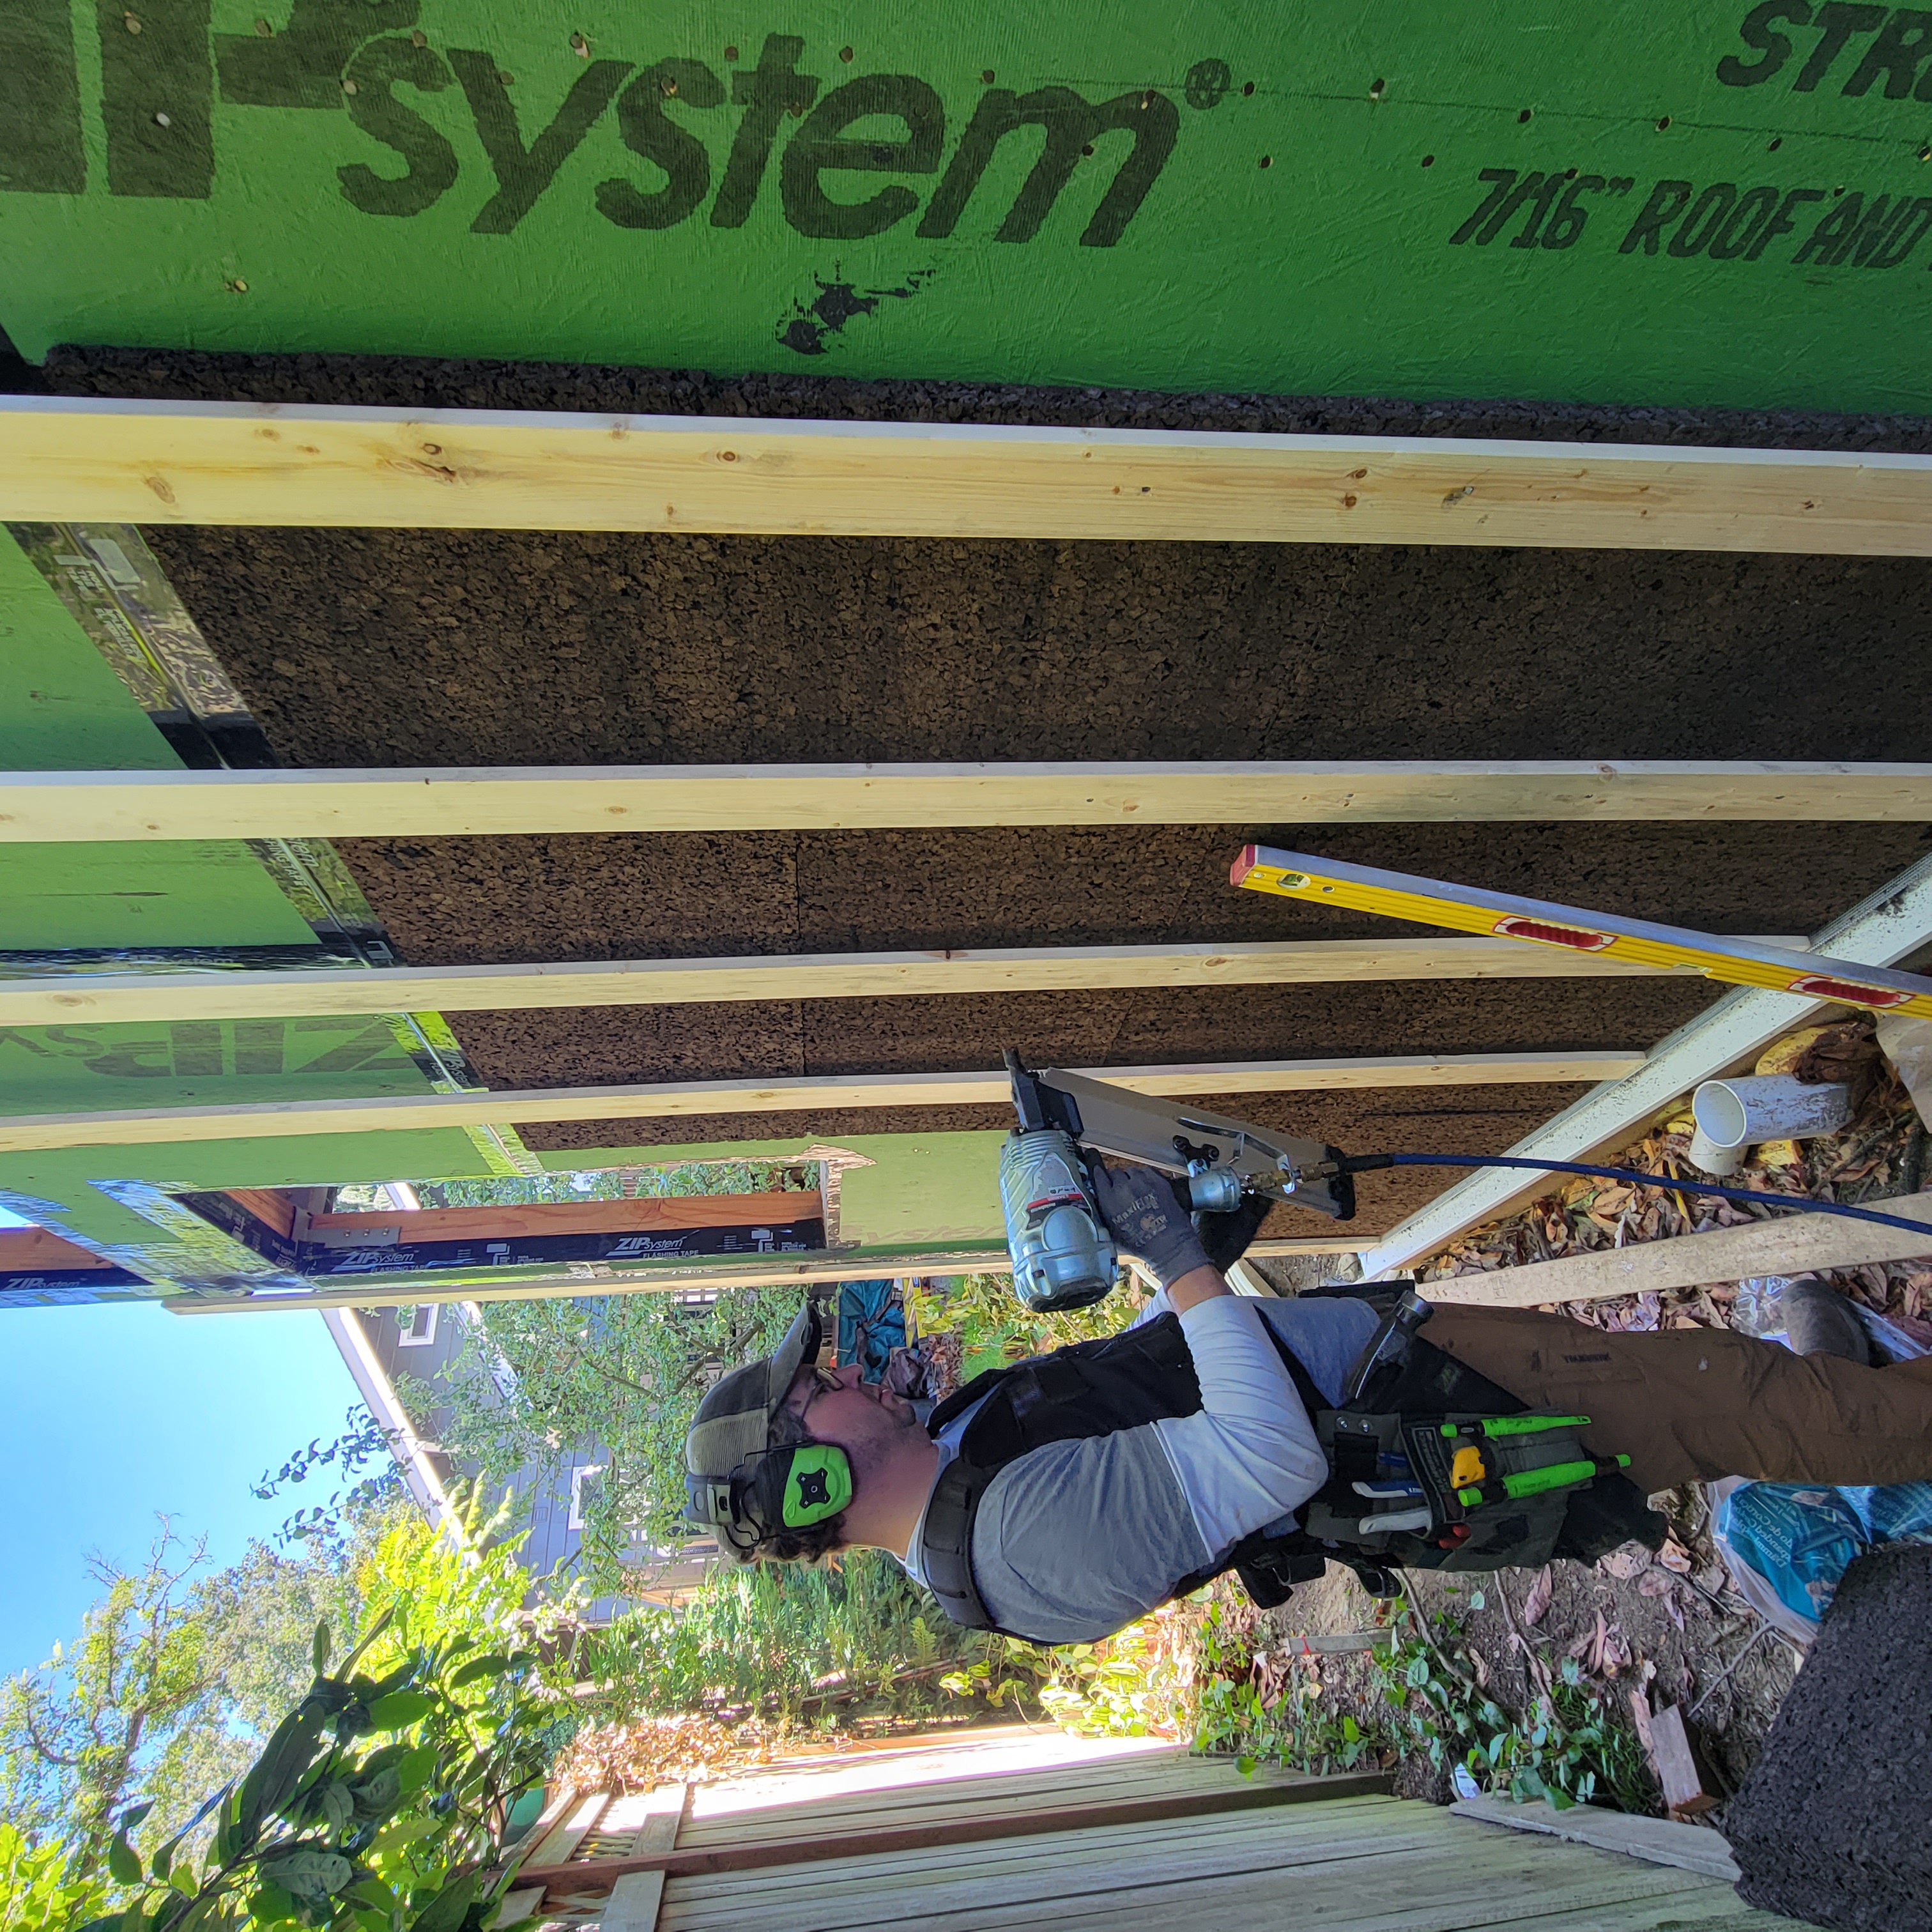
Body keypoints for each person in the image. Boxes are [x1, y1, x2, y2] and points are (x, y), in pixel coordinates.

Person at [684, 1165, 1932, 1645]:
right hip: (1451, 1420)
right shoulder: (1018, 1548)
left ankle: (1864, 1393)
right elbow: (1265, 1461)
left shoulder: (963, 1449)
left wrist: (1204, 1248)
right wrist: (1180, 1260)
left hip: (1404, 1364)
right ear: (812, 1482)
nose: (852, 1378)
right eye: (821, 1395)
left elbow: (1152, 1382)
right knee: (1747, 1402)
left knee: (1734, 1390)